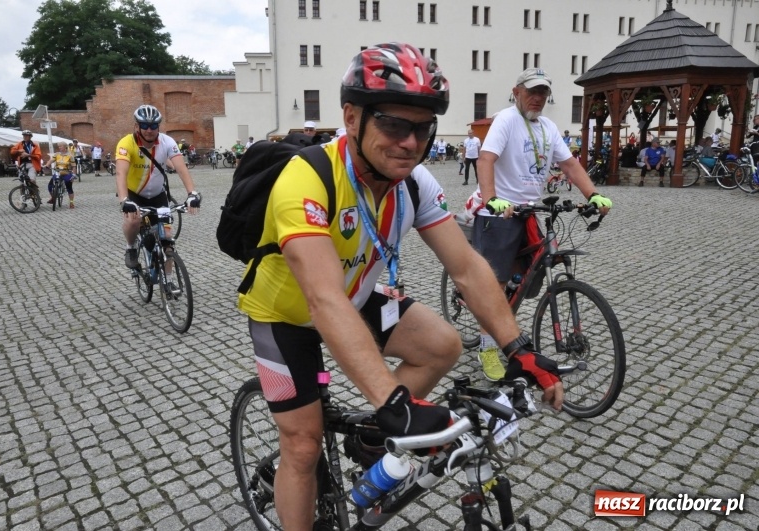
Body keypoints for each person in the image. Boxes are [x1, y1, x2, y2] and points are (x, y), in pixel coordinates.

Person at [237, 43, 564, 531]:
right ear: (352, 117)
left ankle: (371, 438)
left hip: (359, 293)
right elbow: (322, 298)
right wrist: (394, 400)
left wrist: (518, 347)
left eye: (422, 128)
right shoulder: (306, 178)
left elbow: (468, 268)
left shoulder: (415, 183)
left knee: (442, 345)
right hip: (286, 313)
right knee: (302, 445)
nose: (409, 142)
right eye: (393, 123)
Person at [475, 67, 612, 380]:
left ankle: (507, 328)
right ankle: (486, 346)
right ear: (518, 91)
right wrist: (491, 199)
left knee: (524, 278)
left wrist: (593, 194)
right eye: (532, 91)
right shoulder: (507, 120)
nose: (537, 98)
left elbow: (568, 164)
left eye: (543, 93)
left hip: (529, 212)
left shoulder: (548, 126)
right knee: (493, 286)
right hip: (501, 212)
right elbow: (486, 159)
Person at [116, 104, 201, 269]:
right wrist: (124, 200)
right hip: (134, 195)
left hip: (158, 195)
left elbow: (181, 168)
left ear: (158, 126)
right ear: (137, 126)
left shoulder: (167, 141)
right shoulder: (126, 143)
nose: (149, 130)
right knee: (133, 222)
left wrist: (192, 193)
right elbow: (121, 173)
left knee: (167, 239)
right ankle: (131, 247)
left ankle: (169, 282)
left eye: (154, 126)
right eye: (145, 126)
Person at [44, 141, 77, 208]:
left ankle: (71, 202)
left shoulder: (70, 155)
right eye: (59, 146)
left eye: (60, 146)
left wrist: (74, 174)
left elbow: (74, 166)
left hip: (66, 172)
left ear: (65, 147)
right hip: (57, 171)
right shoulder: (57, 154)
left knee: (69, 186)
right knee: (50, 185)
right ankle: (52, 198)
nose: (59, 147)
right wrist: (47, 165)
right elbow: (51, 160)